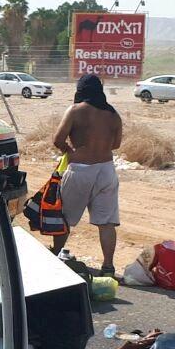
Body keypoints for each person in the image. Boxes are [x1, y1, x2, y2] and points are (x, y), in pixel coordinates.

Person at [51, 72, 124, 275]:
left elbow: (58, 139)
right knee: (107, 223)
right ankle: (108, 267)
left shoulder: (75, 111)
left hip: (80, 170)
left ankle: (55, 257)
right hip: (107, 170)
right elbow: (116, 144)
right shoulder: (113, 114)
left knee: (65, 218)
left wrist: (71, 152)